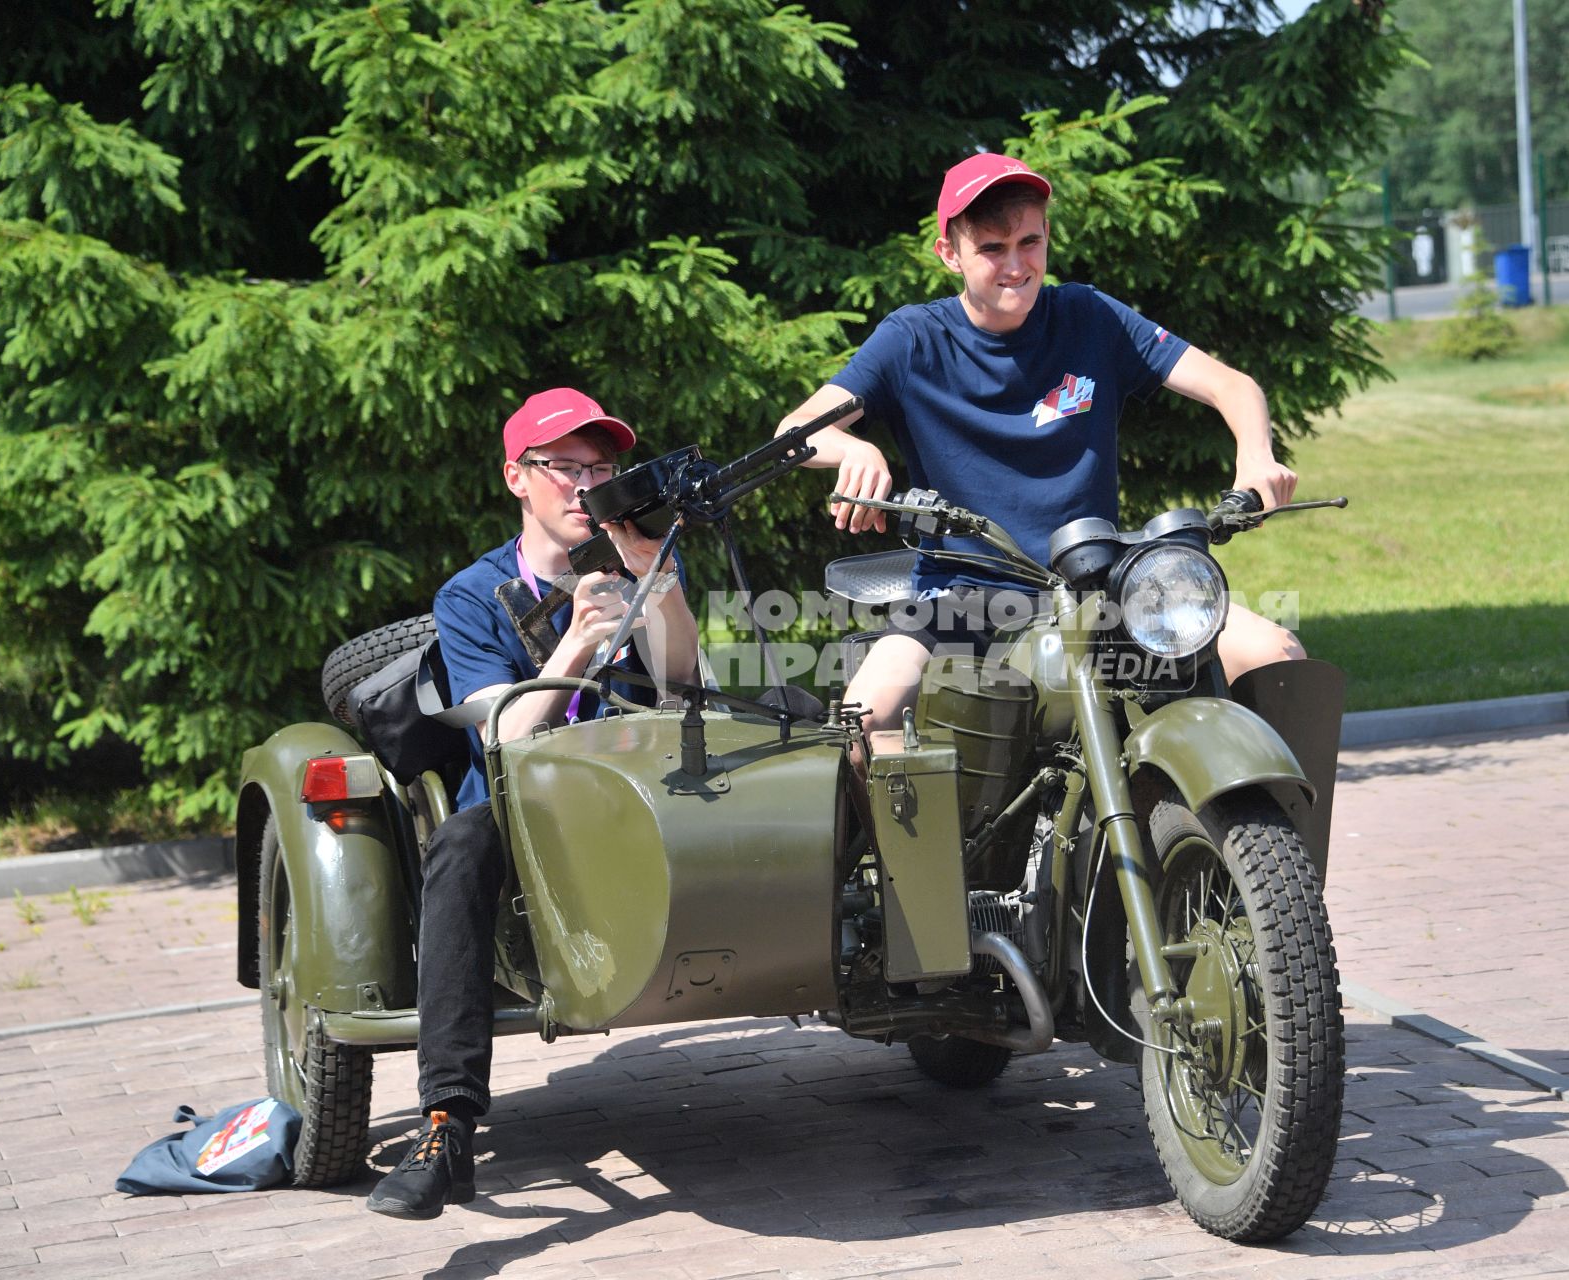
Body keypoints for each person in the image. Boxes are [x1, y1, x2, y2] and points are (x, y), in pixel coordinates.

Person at [775, 153, 1304, 734]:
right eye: (992, 249)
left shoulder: (1089, 315)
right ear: (949, 254)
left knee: (1275, 657)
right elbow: (794, 431)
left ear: (1047, 236)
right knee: (866, 722)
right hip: (959, 599)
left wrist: (1255, 455)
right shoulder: (912, 339)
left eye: (1029, 242)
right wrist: (853, 449)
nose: (1016, 265)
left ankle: (1263, 827)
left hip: (1096, 591)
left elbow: (1233, 385)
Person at [366, 387, 699, 1220]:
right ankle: (446, 1125)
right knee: (459, 848)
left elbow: (686, 684)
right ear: (518, 477)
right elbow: (503, 735)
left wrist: (659, 584)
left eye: (602, 468)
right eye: (565, 468)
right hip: (520, 811)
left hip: (635, 790)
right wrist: (581, 638)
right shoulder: (473, 595)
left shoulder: (640, 556)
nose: (587, 485)